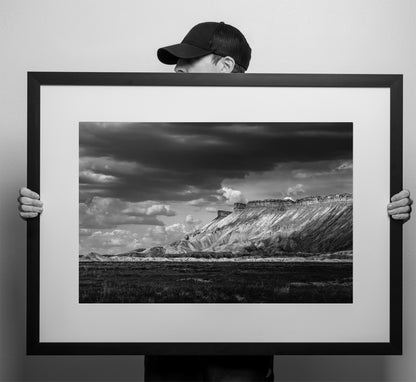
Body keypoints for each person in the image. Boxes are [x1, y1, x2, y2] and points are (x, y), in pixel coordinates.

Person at [18, 21, 412, 381]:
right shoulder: (135, 109)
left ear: (225, 66)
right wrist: (46, 210)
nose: (177, 69)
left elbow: (371, 201)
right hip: (164, 346)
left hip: (246, 348)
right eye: (176, 62)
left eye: (189, 60)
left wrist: (385, 210)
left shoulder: (295, 105)